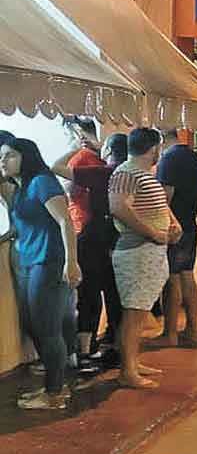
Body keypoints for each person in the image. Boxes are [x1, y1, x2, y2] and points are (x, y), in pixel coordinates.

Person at [1, 138, 81, 409]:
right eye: (2, 156)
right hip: (29, 261)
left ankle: (55, 393)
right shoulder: (21, 188)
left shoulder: (42, 182)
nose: (3, 161)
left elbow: (64, 221)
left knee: (47, 329)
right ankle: (55, 385)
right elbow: (25, 225)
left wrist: (71, 262)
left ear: (27, 156)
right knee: (34, 325)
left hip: (49, 262)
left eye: (10, 155)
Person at [109, 128, 180, 389]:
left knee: (139, 312)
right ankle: (127, 371)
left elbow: (159, 205)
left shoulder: (142, 174)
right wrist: (154, 233)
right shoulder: (126, 173)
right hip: (137, 250)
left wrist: (172, 225)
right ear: (154, 148)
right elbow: (118, 207)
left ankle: (132, 362)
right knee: (134, 313)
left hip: (151, 250)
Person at [51, 122, 122, 363]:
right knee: (113, 294)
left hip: (89, 234)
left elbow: (69, 189)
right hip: (115, 240)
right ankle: (115, 345)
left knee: (89, 294)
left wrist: (77, 148)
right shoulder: (126, 171)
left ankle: (84, 350)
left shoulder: (92, 165)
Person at [157, 129, 197, 348]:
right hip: (189, 223)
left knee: (172, 278)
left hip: (173, 226)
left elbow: (165, 197)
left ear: (161, 138)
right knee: (187, 275)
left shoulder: (168, 160)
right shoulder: (195, 158)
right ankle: (192, 329)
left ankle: (170, 333)